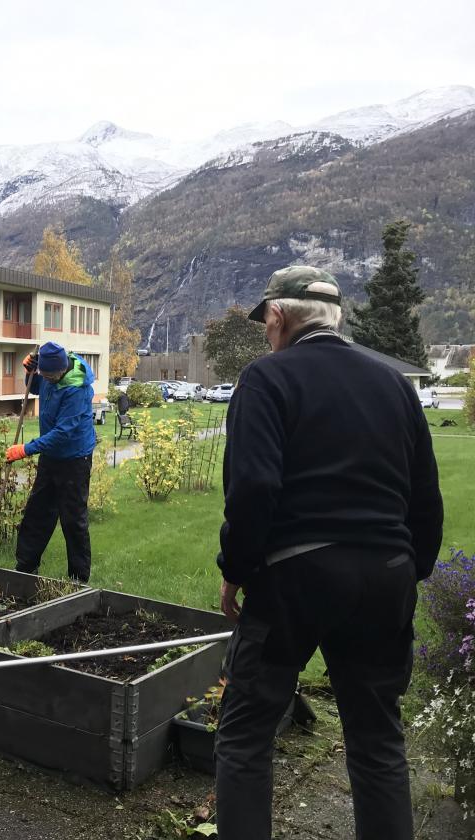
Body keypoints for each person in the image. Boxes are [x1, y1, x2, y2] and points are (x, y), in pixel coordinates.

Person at [213, 266, 443, 840]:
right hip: (385, 575)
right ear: (336, 317)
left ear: (277, 316)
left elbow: (254, 490)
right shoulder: (394, 384)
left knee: (245, 737)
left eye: (266, 325)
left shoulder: (266, 380)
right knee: (377, 741)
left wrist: (235, 573)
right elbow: (426, 498)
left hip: (295, 577)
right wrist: (410, 570)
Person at [5, 341, 97, 582]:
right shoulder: (49, 375)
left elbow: (63, 432)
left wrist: (26, 449)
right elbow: (36, 388)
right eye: (43, 374)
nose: (47, 379)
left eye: (50, 376)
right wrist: (30, 374)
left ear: (62, 369)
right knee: (37, 513)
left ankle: (78, 579)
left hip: (75, 458)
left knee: (72, 519)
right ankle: (25, 568)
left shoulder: (77, 388)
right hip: (51, 457)